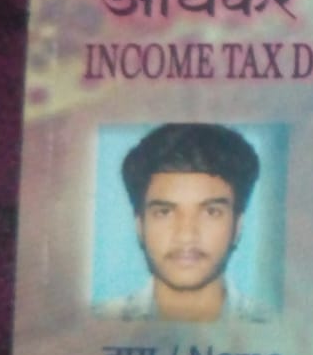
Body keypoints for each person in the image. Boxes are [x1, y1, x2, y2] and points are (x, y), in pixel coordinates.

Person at [95, 123, 270, 322]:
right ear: (139, 226)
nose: (186, 236)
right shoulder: (90, 325)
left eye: (211, 212)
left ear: (237, 227)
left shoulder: (282, 329)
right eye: (164, 212)